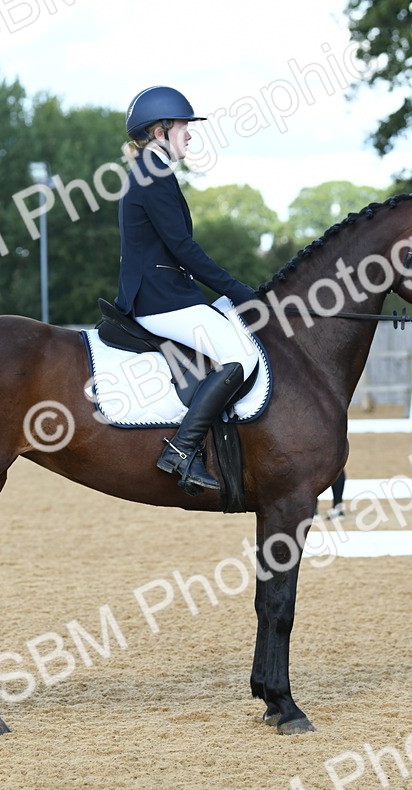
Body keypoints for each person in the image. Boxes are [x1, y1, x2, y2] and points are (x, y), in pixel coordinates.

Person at [115, 86, 261, 495]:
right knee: (241, 355)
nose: (190, 134)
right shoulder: (153, 174)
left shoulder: (150, 170)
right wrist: (238, 291)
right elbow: (183, 248)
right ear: (160, 131)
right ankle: (181, 449)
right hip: (159, 299)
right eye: (183, 127)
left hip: (166, 292)